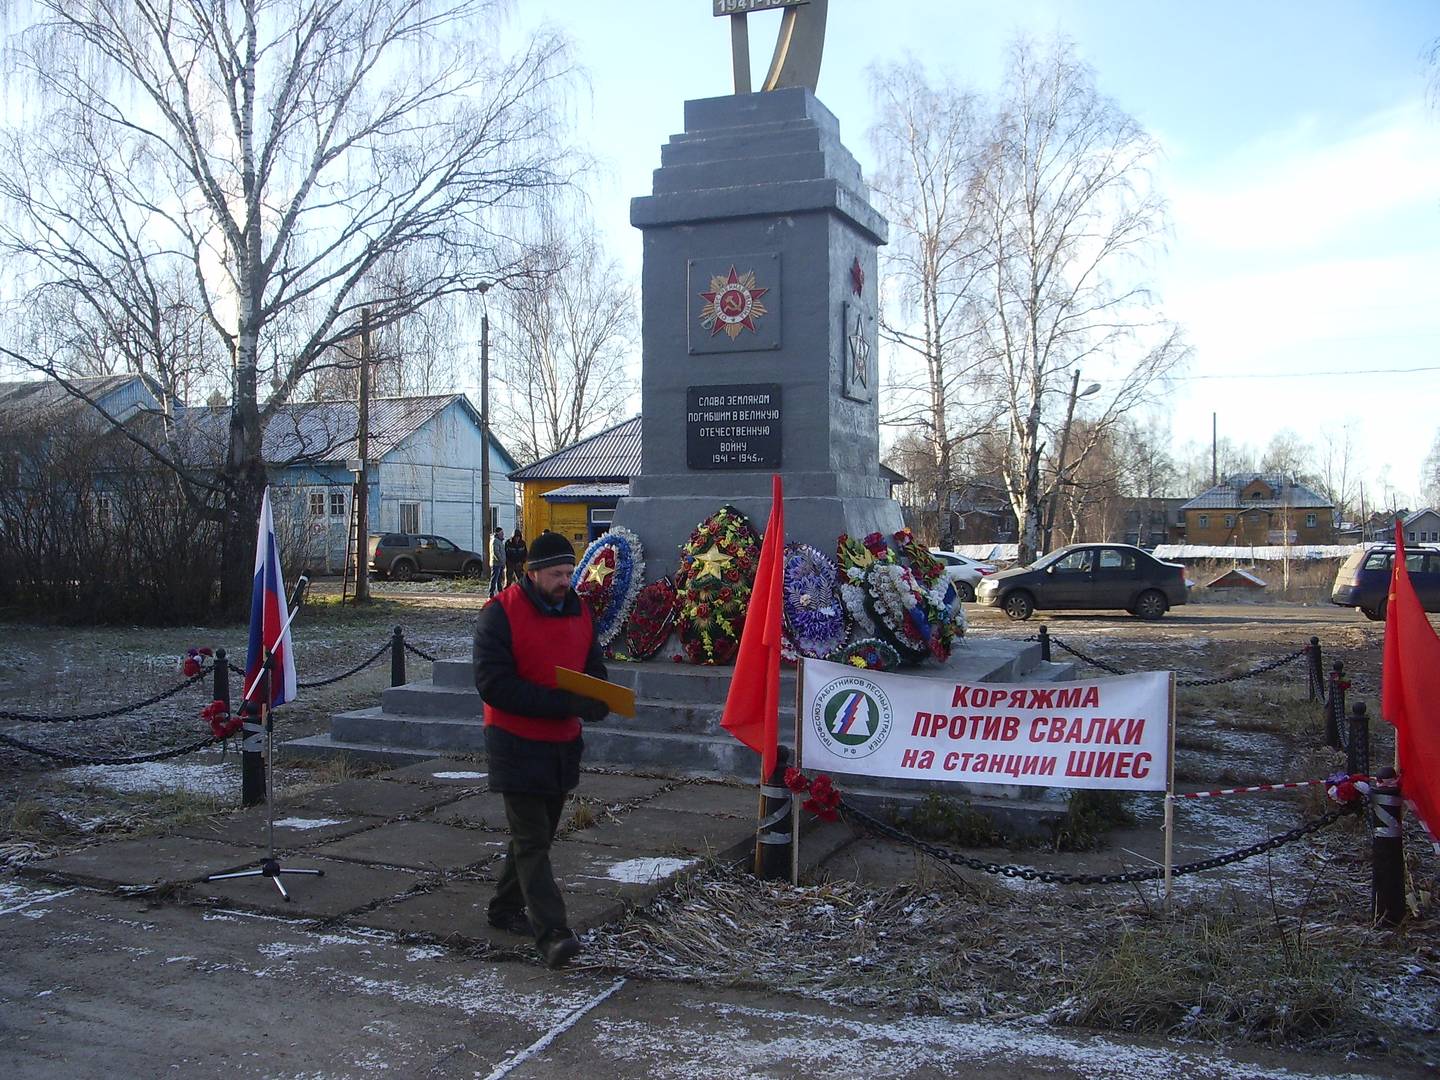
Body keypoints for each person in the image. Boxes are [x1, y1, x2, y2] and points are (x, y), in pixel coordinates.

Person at [472, 531, 609, 969]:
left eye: (570, 573)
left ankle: (503, 908)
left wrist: (597, 698)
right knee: (533, 841)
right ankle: (553, 933)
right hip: (514, 743)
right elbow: (493, 685)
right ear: (532, 573)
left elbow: (593, 667)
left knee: (536, 835)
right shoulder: (499, 615)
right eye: (556, 573)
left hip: (562, 745)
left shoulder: (581, 612)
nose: (565, 581)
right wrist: (562, 704)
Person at [488, 526, 506, 597]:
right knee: (494, 579)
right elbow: (496, 552)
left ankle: (500, 593)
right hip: (496, 564)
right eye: (501, 533)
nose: (503, 534)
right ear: (498, 533)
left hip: (500, 563)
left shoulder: (499, 541)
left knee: (499, 579)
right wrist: (502, 560)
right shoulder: (495, 541)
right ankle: (491, 593)